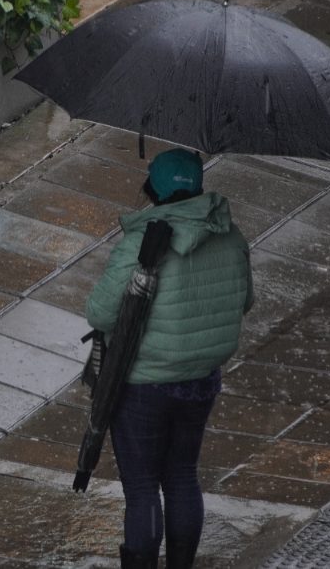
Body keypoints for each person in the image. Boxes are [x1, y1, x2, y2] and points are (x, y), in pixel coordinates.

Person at [85, 148, 253, 569]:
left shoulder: (141, 244)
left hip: (143, 386)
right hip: (201, 381)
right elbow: (244, 301)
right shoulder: (231, 237)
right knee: (182, 477)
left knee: (142, 488)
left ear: (152, 189)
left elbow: (100, 313)